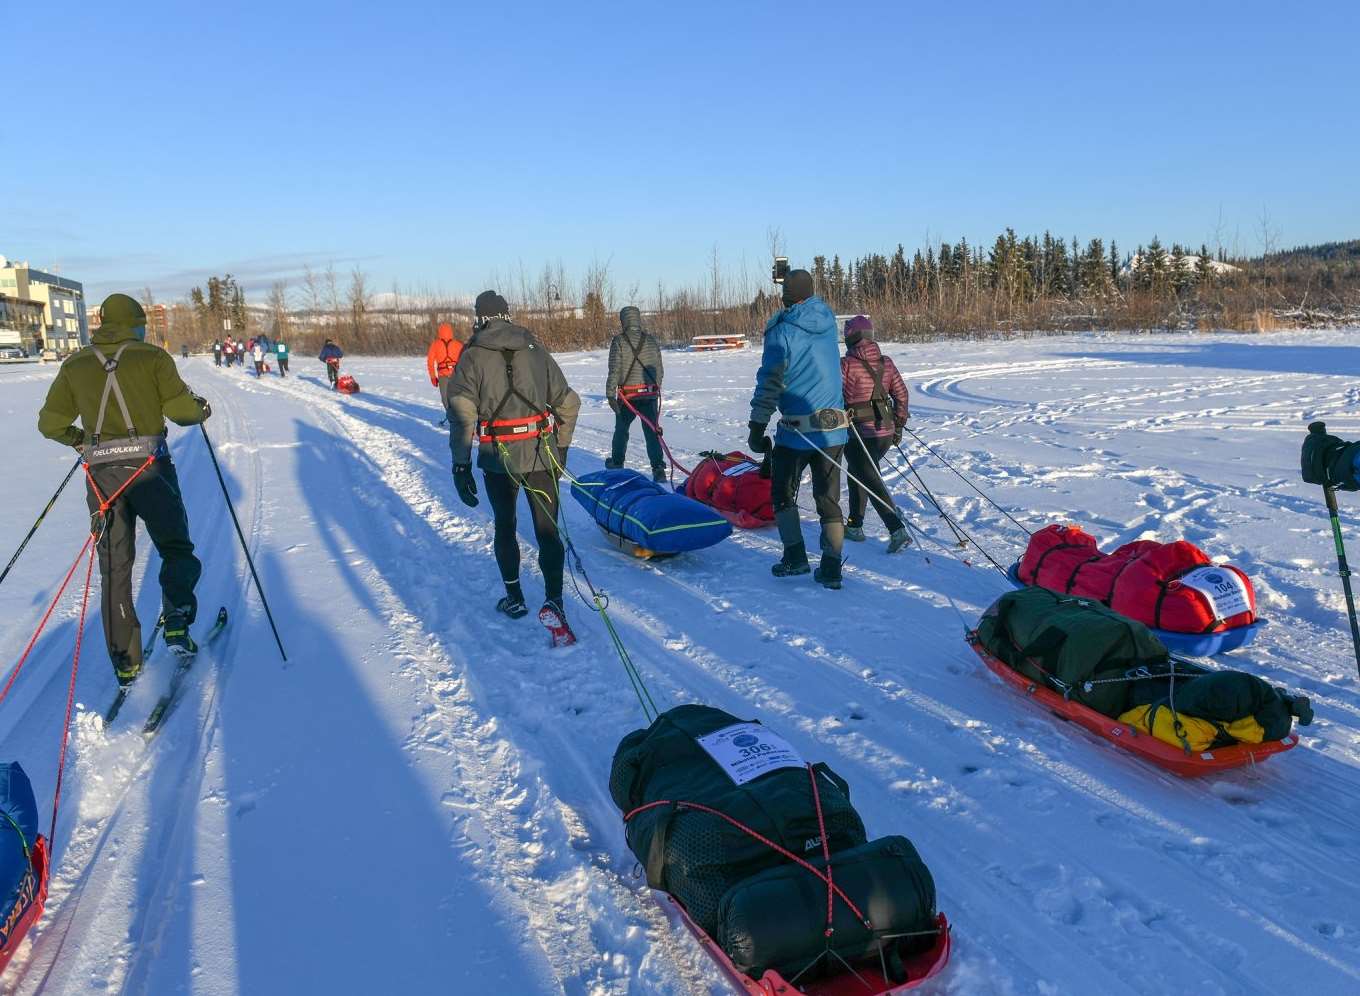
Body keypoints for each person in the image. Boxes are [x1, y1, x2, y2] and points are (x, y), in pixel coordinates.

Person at [36, 293, 211, 686]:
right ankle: (177, 622)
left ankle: (125, 661)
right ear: (135, 323)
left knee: (114, 566)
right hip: (152, 470)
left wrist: (80, 438)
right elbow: (184, 413)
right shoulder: (152, 357)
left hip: (101, 477)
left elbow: (50, 424)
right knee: (175, 547)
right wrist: (200, 410)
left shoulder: (75, 363)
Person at [447, 291, 581, 630]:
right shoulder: (535, 350)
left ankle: (515, 598)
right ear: (507, 315)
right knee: (547, 531)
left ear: (479, 318)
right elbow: (569, 403)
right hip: (541, 454)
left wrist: (460, 466)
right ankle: (555, 602)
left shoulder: (471, 355)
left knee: (505, 527)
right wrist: (561, 447)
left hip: (498, 461)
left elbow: (463, 415)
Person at [747, 269, 848, 589]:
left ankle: (795, 557)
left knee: (782, 493)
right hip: (833, 428)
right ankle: (831, 567)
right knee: (828, 498)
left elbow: (770, 381)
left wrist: (757, 424)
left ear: (785, 296)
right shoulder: (827, 320)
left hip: (797, 431)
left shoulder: (782, 330)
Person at [840, 316, 911, 553]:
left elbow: (833, 397)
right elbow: (901, 395)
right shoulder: (887, 363)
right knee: (859, 473)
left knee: (870, 478)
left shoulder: (845, 365)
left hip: (858, 434)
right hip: (885, 434)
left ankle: (896, 529)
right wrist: (898, 425)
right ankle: (854, 525)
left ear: (850, 338)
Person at [605, 306, 666, 482]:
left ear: (623, 320)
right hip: (649, 395)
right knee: (652, 432)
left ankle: (617, 462)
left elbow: (614, 370)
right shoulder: (651, 341)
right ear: (638, 319)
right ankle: (658, 469)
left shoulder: (619, 341)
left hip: (628, 397)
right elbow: (659, 370)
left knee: (621, 430)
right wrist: (655, 388)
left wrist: (610, 394)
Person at [425, 321, 466, 417]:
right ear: (451, 332)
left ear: (439, 331)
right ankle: (458, 417)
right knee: (458, 398)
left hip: (443, 376)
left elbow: (430, 362)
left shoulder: (435, 344)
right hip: (456, 375)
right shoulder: (458, 344)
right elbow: (465, 360)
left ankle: (453, 417)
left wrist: (433, 377)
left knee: (445, 399)